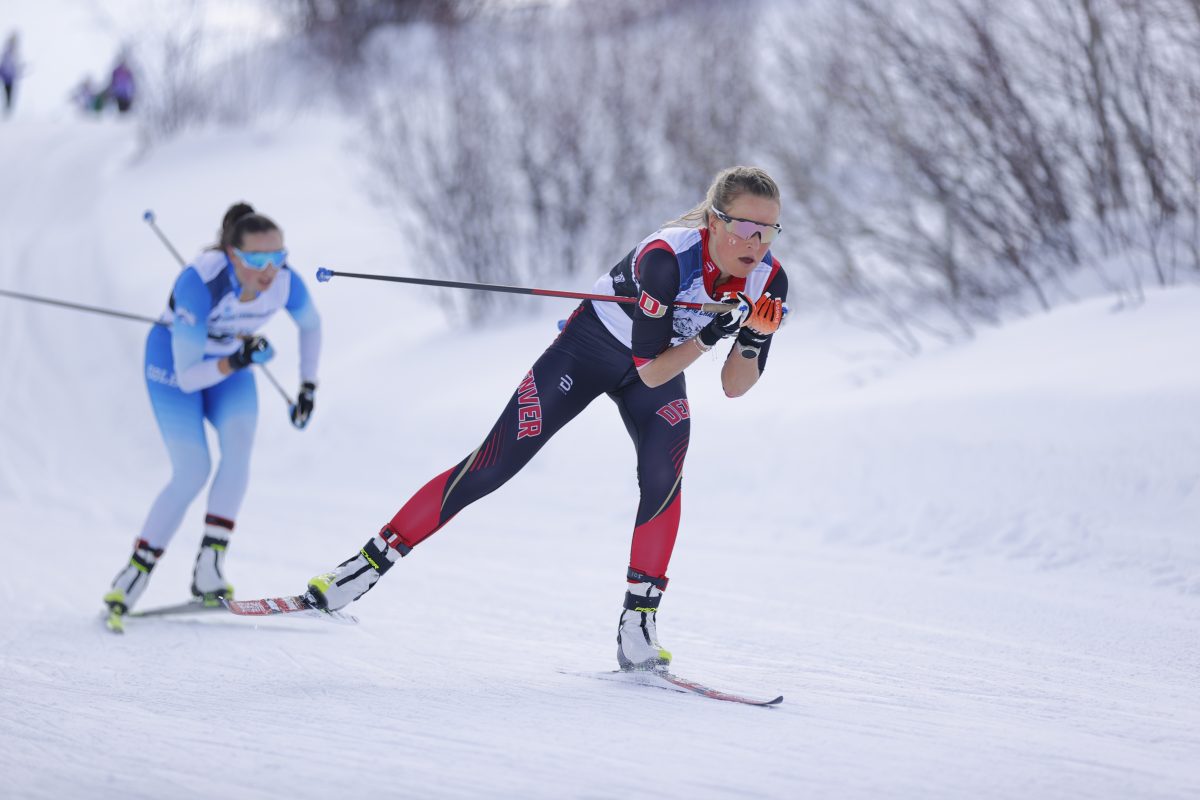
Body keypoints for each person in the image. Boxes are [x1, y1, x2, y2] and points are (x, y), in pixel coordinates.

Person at [303, 166, 789, 671]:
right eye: (746, 228)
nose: (757, 243)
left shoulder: (769, 278)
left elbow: (736, 385)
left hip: (664, 362)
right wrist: (710, 335)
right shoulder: (667, 259)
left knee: (665, 475)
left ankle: (637, 626)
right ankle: (359, 569)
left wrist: (751, 337)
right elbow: (648, 373)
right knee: (492, 465)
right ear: (713, 222)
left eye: (770, 230)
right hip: (591, 350)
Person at [103, 204, 322, 630]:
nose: (270, 270)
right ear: (231, 255)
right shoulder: (198, 283)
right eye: (259, 260)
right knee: (192, 469)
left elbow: (311, 325)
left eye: (279, 258)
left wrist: (307, 385)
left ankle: (209, 567)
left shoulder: (284, 282)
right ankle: (132, 575)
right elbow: (188, 379)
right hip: (174, 365)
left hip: (228, 368)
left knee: (239, 448)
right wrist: (239, 358)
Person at [1, 32, 21, 115]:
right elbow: (5, 65)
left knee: (9, 94)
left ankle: (8, 109)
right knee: (7, 93)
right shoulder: (8, 52)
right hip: (7, 77)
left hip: (10, 77)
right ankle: (7, 109)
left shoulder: (13, 53)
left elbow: (14, 66)